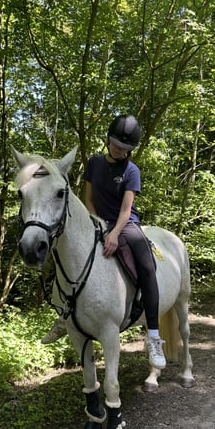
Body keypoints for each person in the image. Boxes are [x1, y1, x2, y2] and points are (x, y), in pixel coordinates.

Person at [41, 115, 166, 369]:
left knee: (147, 265)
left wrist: (113, 233)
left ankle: (153, 335)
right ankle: (64, 317)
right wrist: (95, 223)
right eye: (116, 145)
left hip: (125, 224)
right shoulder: (94, 164)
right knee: (64, 253)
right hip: (95, 221)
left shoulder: (132, 171)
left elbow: (125, 209)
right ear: (108, 140)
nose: (120, 151)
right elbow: (89, 199)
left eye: (126, 148)